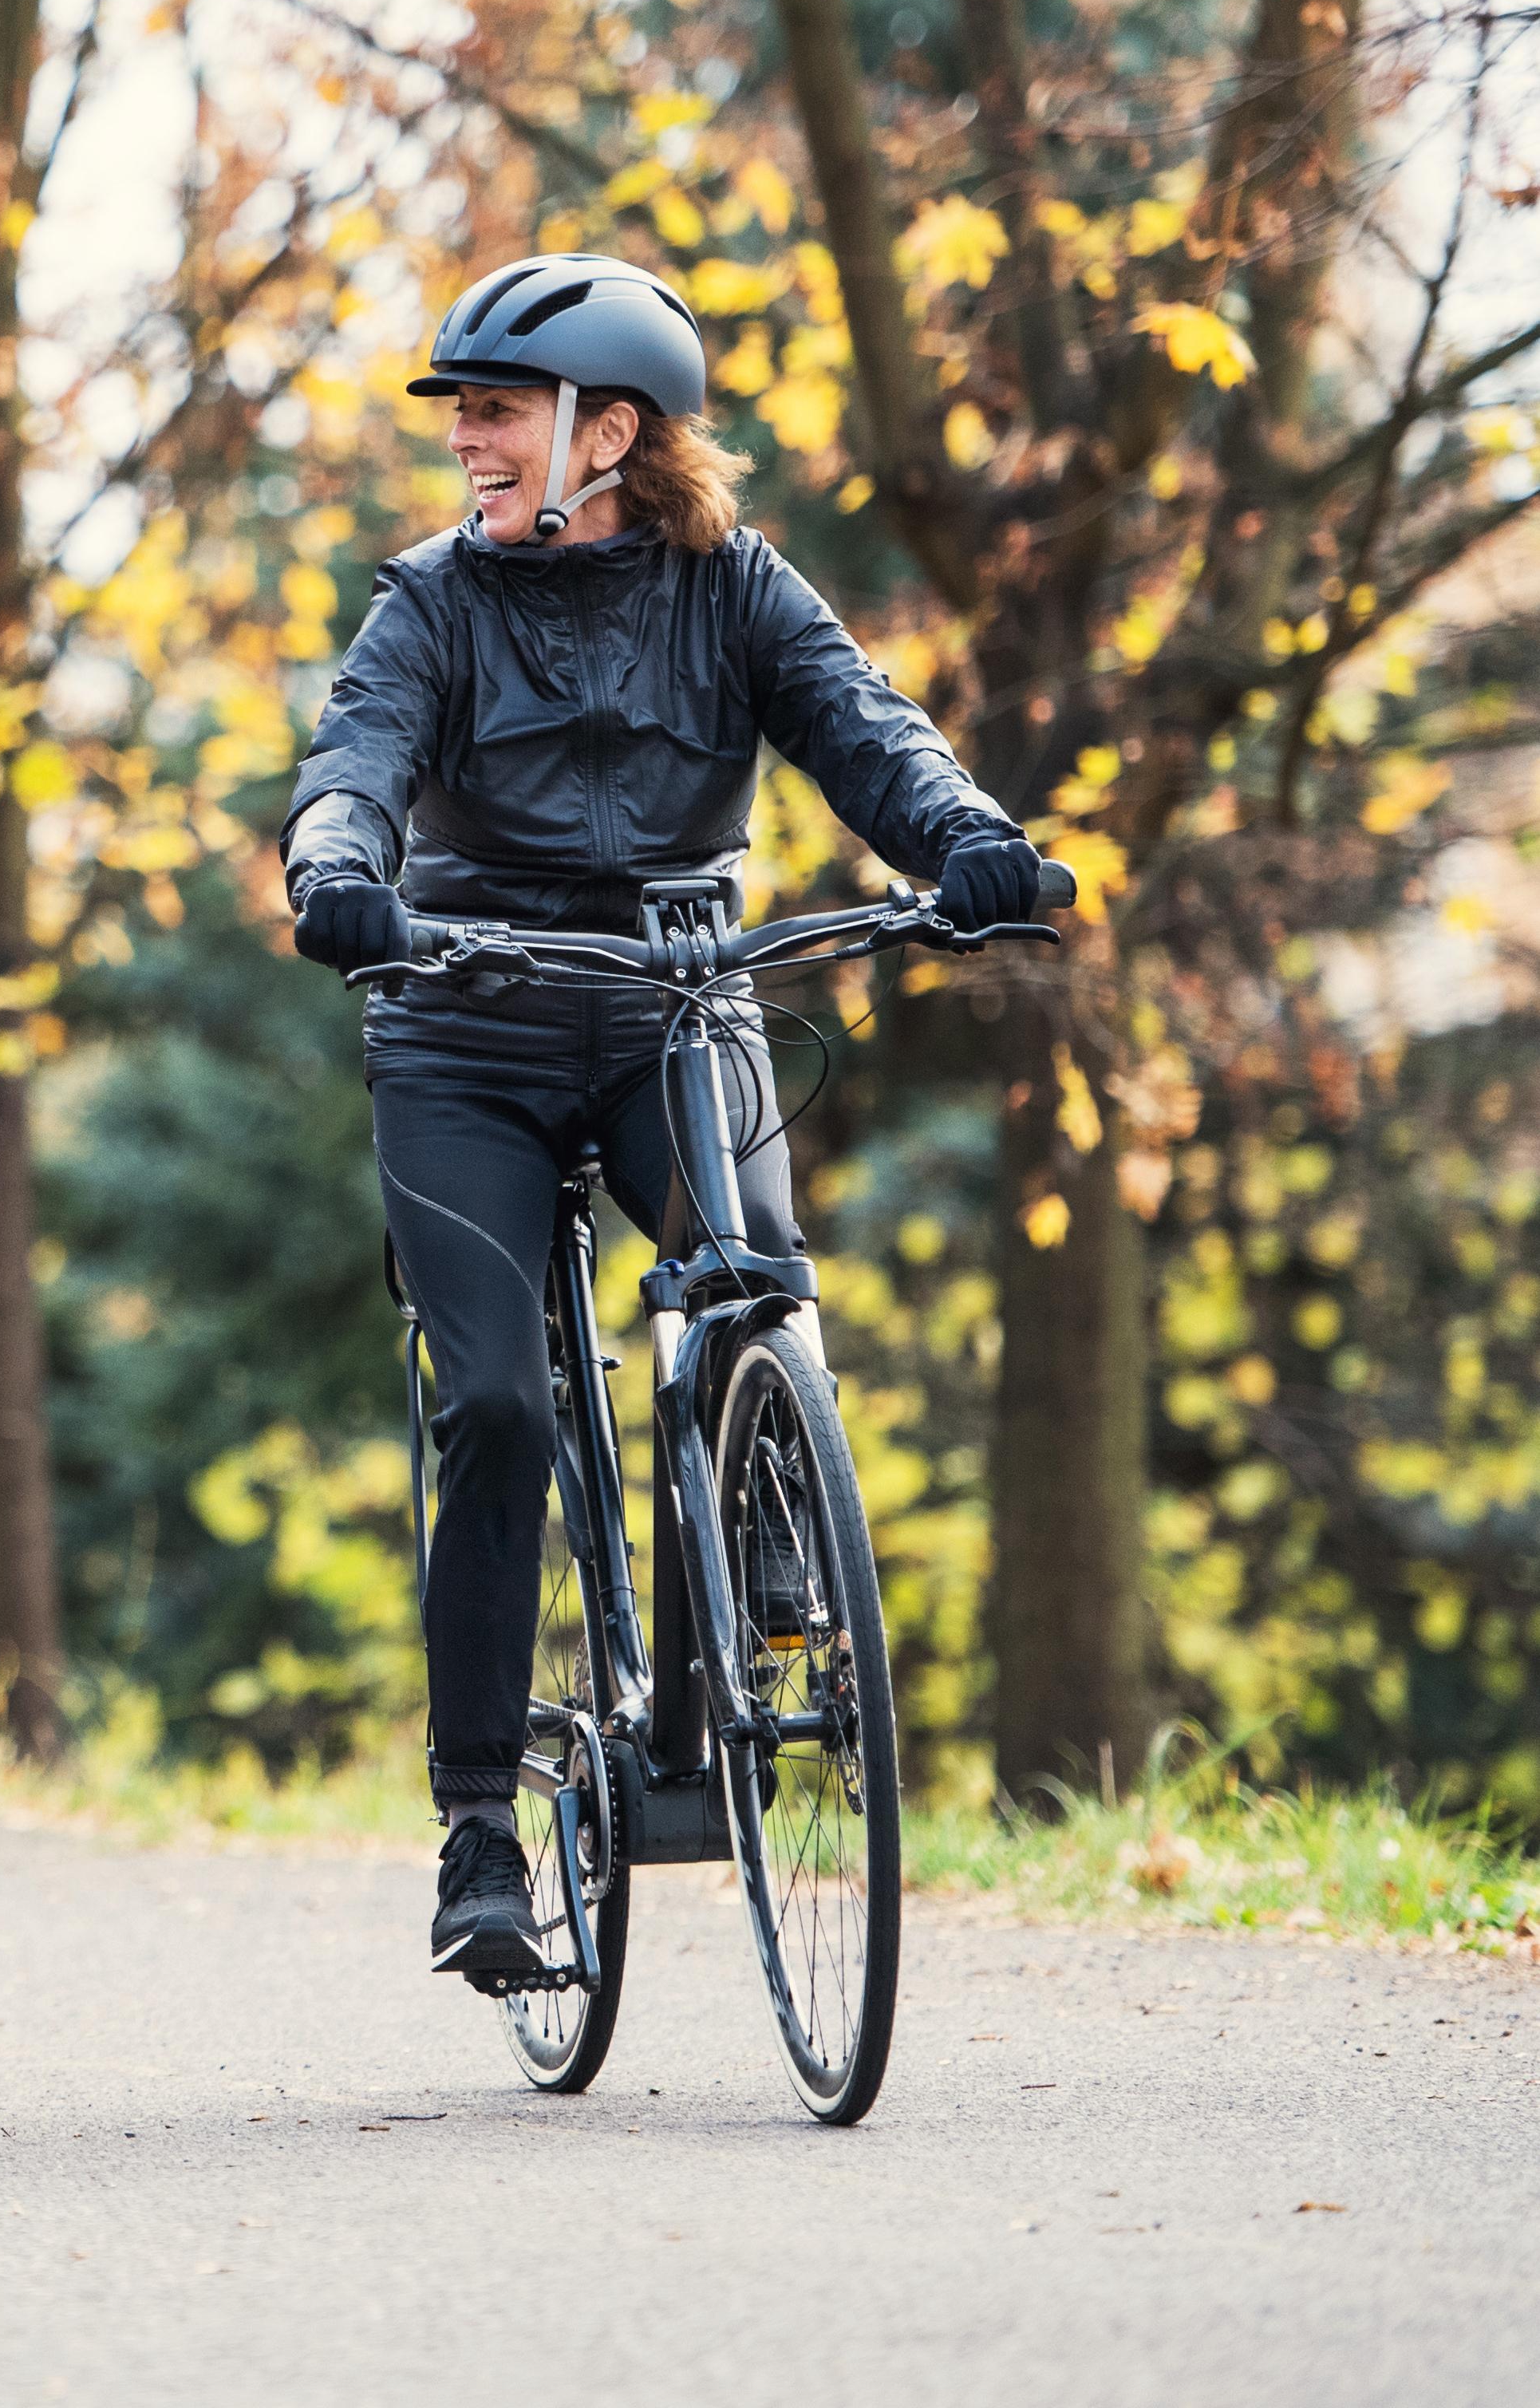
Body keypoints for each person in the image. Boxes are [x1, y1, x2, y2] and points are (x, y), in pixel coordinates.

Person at [278, 256, 1040, 1975]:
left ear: (604, 430)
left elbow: (871, 733)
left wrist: (967, 836)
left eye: (496, 408)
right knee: (491, 1402)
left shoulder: (737, 590)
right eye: (465, 409)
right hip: (465, 1029)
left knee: (754, 1271)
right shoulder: (431, 602)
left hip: (672, 1005)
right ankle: (481, 1824)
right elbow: (356, 758)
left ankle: (771, 1530)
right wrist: (338, 865)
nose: (469, 439)